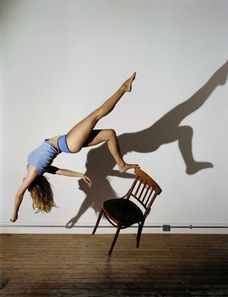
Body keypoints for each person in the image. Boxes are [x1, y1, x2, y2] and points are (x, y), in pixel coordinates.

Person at [10, 73, 139, 222]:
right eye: (25, 183)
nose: (22, 181)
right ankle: (124, 88)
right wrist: (15, 214)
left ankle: (121, 165)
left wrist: (80, 175)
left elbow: (62, 172)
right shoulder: (33, 171)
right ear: (31, 183)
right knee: (95, 115)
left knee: (109, 134)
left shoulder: (35, 167)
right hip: (68, 143)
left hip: (68, 143)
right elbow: (18, 194)